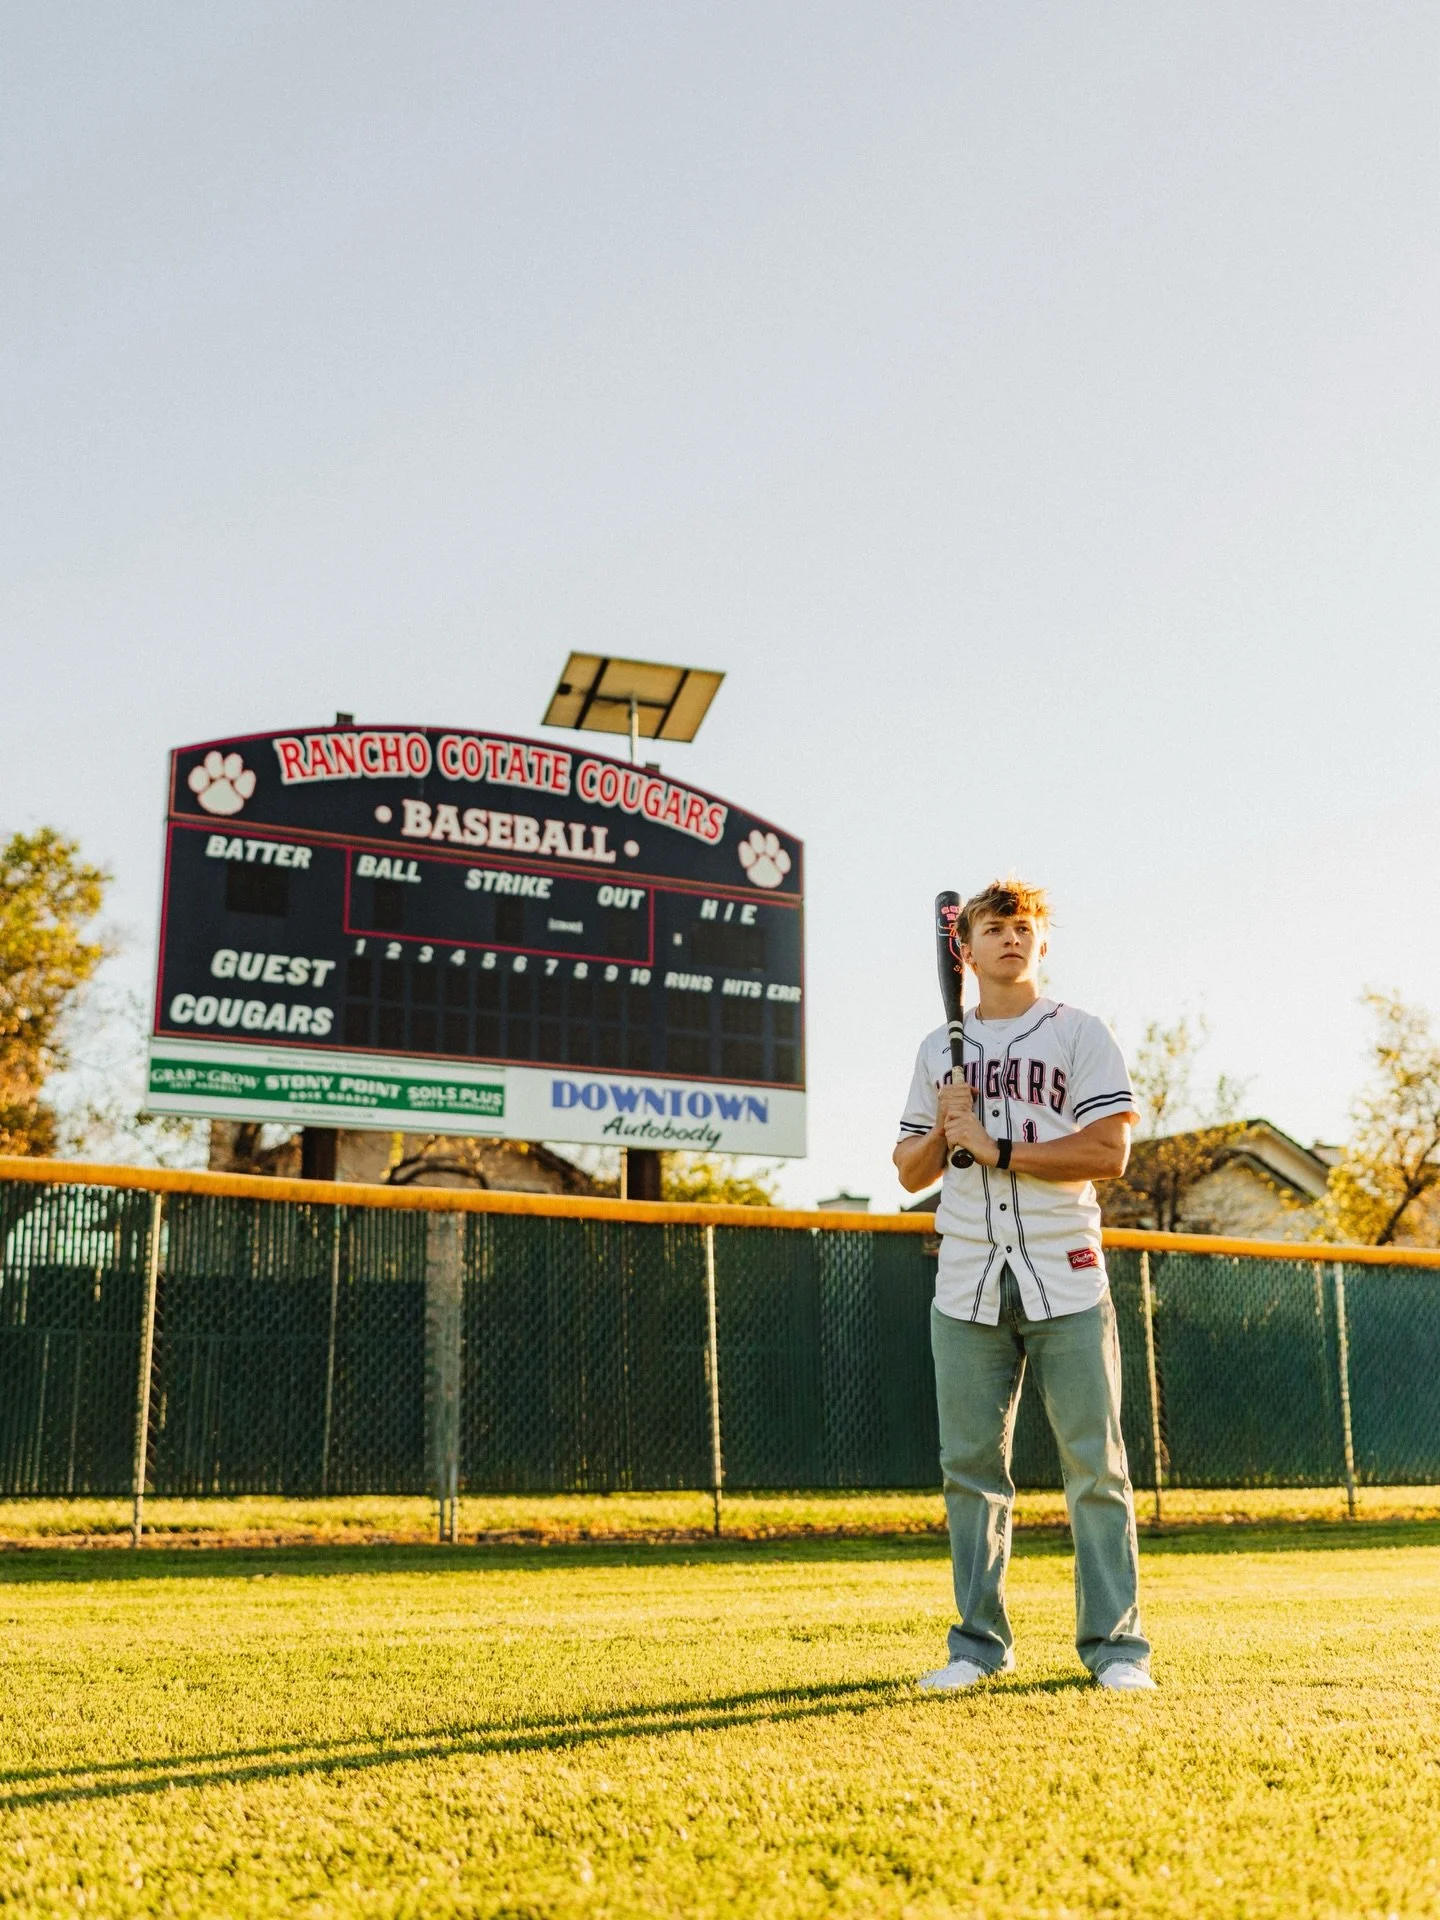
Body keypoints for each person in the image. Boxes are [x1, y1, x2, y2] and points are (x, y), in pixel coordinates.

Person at [893, 879, 1154, 1692]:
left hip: (1065, 1274)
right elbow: (908, 1173)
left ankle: (1116, 1651)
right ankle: (976, 1647)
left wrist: (999, 1146)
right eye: (993, 927)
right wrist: (947, 1123)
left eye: (1024, 926)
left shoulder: (1080, 1033)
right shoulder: (940, 1049)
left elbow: (1108, 1153)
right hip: (967, 1278)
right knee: (970, 1471)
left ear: (1043, 945)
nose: (1011, 937)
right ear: (962, 950)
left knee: (1096, 1469)